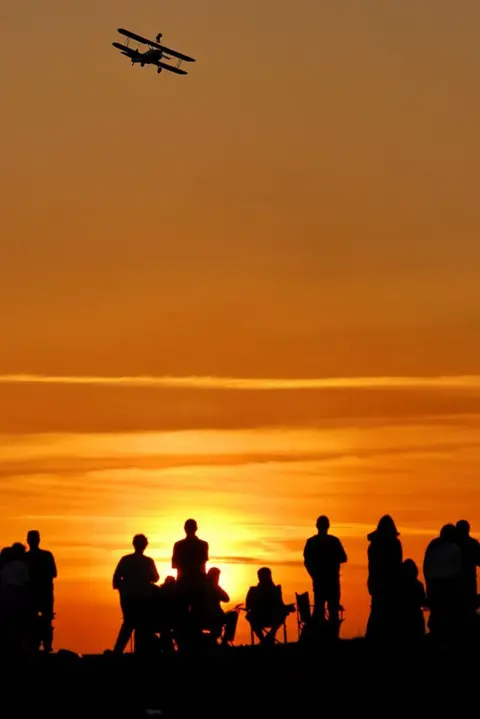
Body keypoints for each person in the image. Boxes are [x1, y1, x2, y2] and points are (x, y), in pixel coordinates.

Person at [112, 534, 159, 654]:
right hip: (143, 598)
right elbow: (156, 577)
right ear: (145, 546)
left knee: (128, 624)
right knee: (141, 625)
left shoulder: (126, 560)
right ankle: (138, 652)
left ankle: (118, 651)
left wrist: (123, 589)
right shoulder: (148, 561)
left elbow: (116, 579)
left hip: (128, 598)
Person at [303, 516, 347, 624]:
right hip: (331, 581)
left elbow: (307, 562)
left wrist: (314, 574)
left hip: (320, 581)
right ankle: (331, 636)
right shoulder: (334, 541)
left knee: (320, 609)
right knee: (332, 610)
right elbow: (343, 558)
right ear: (328, 526)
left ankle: (322, 636)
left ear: (317, 526)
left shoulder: (311, 542)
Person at [366, 515, 403, 641]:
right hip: (390, 582)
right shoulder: (395, 544)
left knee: (376, 610)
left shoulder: (373, 545)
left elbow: (371, 565)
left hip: (376, 582)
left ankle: (372, 638)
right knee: (389, 611)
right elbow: (397, 564)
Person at [423, 524, 462, 644]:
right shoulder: (455, 548)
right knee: (447, 612)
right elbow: (458, 569)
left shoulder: (433, 545)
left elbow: (426, 565)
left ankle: (435, 637)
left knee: (436, 612)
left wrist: (428, 582)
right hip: (448, 584)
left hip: (434, 583)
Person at [25, 530, 57, 652]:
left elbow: (54, 573)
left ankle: (42, 645)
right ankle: (40, 645)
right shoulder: (46, 555)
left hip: (39, 593)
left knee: (42, 620)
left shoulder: (27, 557)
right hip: (38, 593)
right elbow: (53, 573)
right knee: (41, 620)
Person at [245, 568, 294, 645]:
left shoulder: (254, 591)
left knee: (250, 616)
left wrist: (286, 607)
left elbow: (247, 607)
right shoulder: (274, 590)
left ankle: (265, 639)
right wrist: (287, 608)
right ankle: (270, 636)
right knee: (282, 613)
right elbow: (280, 606)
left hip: (261, 618)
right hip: (269, 618)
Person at [0, 544, 31, 656]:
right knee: (18, 623)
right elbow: (26, 583)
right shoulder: (22, 566)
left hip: (5, 596)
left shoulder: (5, 568)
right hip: (17, 595)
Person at [197, 567, 238, 645]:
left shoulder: (214, 586)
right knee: (231, 616)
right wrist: (215, 587)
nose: (218, 578)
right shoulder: (207, 586)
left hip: (215, 617)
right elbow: (226, 599)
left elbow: (226, 599)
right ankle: (223, 640)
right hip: (210, 617)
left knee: (233, 614)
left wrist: (216, 586)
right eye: (217, 576)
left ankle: (224, 639)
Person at [455, 520, 480, 625]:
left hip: (454, 582)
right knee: (468, 611)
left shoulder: (451, 544)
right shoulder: (473, 543)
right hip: (468, 581)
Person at [398, 559, 426, 642]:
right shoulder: (419, 585)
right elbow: (423, 602)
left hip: (404, 621)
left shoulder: (400, 588)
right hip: (416, 620)